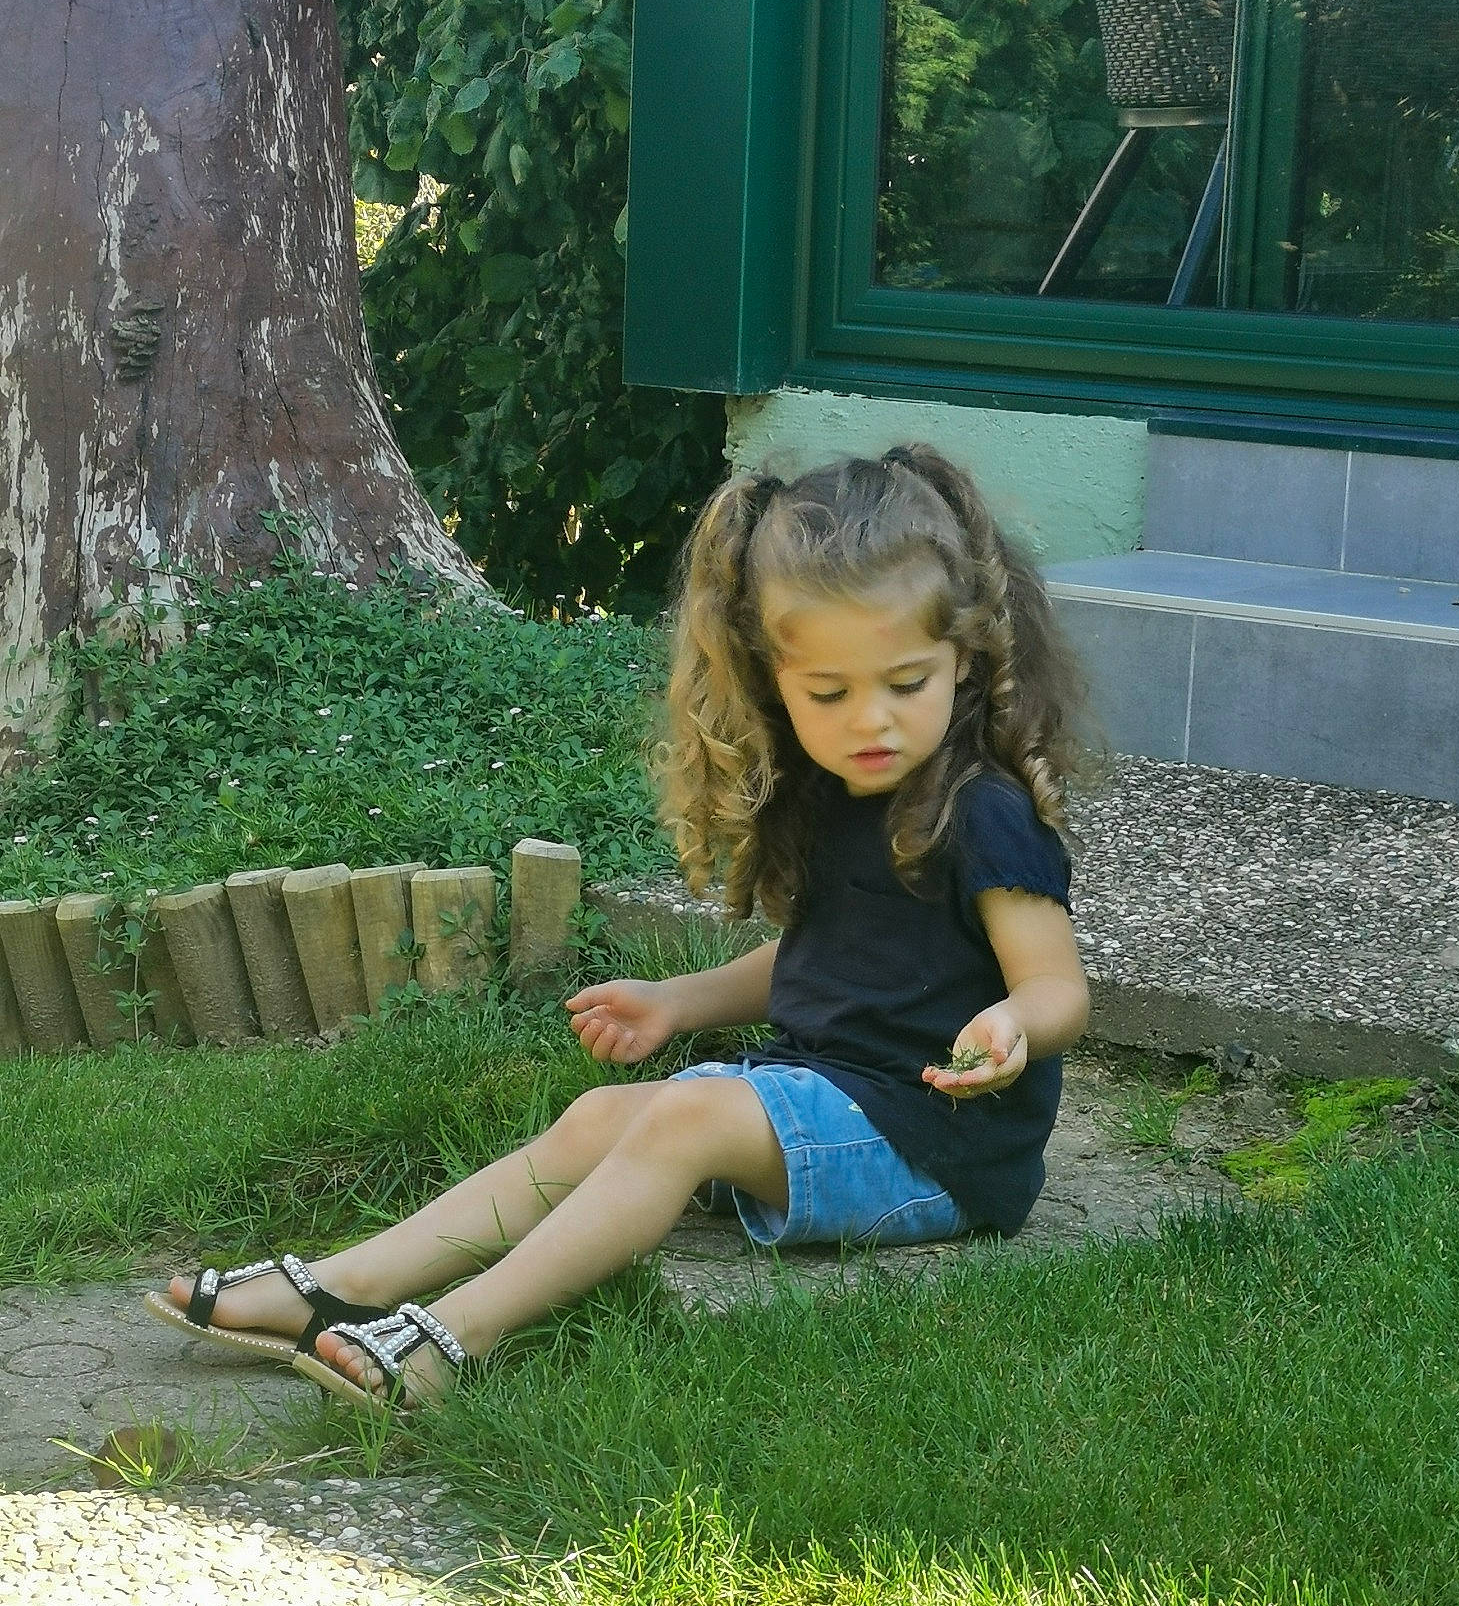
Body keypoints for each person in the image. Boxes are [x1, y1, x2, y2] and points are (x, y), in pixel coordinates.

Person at [145, 445, 1095, 1412]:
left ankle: (451, 1341)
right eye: (830, 693)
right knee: (604, 1117)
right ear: (774, 677)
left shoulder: (982, 811)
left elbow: (1058, 987)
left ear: (964, 658)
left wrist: (1016, 1023)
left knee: (683, 1116)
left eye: (905, 683)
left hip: (940, 1150)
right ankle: (342, 1285)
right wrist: (675, 1003)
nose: (871, 721)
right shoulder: (835, 789)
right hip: (831, 1102)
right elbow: (836, 960)